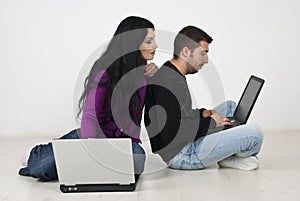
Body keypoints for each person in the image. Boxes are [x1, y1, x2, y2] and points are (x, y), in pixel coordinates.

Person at [19, 16, 158, 181]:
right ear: (133, 43)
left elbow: (153, 110)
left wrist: (155, 76)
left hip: (123, 143)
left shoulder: (145, 74)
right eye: (149, 41)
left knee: (137, 162)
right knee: (41, 167)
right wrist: (93, 150)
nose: (155, 46)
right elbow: (90, 116)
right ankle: (40, 153)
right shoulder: (105, 73)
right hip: (93, 138)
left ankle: (84, 165)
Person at [144, 25, 263, 171]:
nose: (206, 60)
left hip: (186, 143)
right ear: (186, 52)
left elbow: (177, 114)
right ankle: (230, 156)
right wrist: (211, 123)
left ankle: (227, 151)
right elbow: (171, 132)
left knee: (231, 107)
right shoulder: (169, 81)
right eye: (203, 53)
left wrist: (201, 113)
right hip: (184, 154)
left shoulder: (172, 73)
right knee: (255, 133)